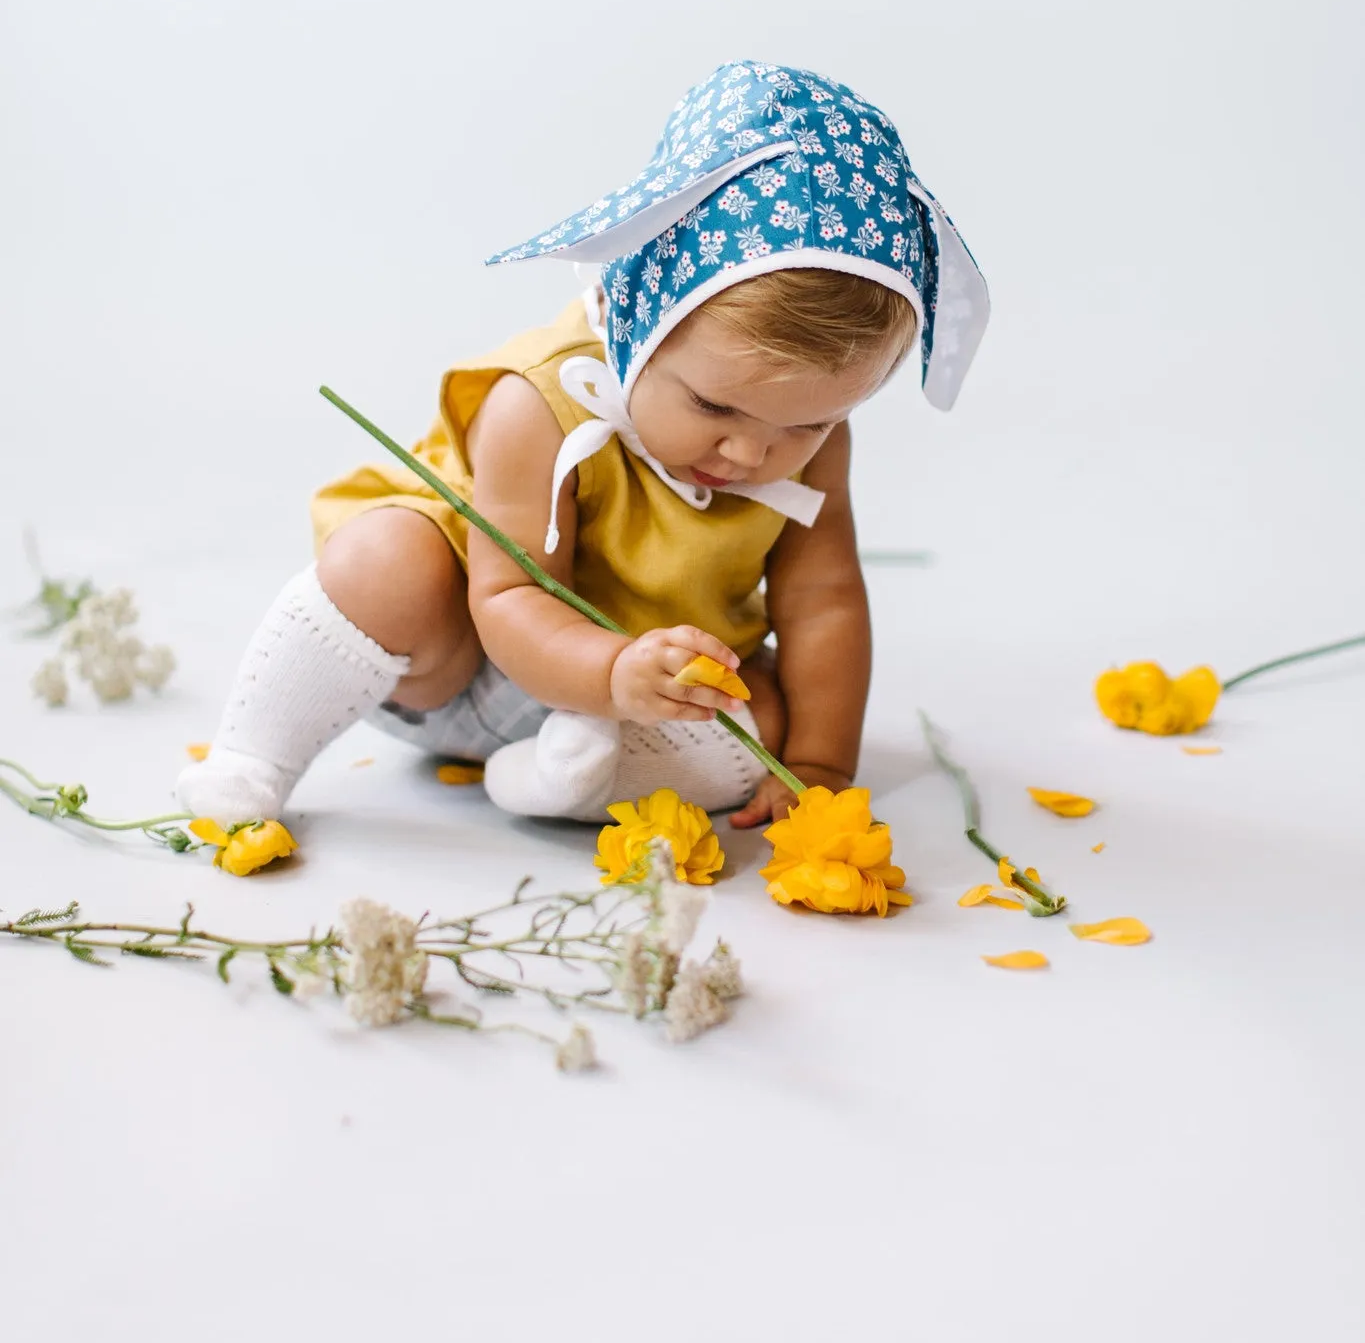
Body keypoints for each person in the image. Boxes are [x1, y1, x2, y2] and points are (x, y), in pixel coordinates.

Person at [178, 59, 989, 830]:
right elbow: (506, 600)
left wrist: (818, 766)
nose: (750, 454)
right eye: (714, 406)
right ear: (638, 315)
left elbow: (824, 602)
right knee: (385, 559)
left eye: (806, 424)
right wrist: (608, 673)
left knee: (770, 716)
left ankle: (564, 780)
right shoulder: (541, 404)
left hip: (641, 708)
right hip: (456, 661)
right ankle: (250, 759)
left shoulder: (810, 444)